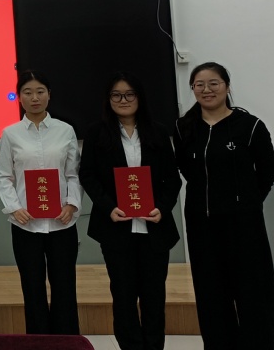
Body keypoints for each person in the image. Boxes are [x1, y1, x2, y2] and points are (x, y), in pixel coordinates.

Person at [173, 61, 274, 350]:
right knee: (211, 293)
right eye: (199, 85)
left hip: (244, 225)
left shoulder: (250, 126)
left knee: (253, 291)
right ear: (193, 89)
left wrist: (247, 202)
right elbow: (186, 170)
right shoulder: (184, 128)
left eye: (214, 83)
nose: (207, 90)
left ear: (227, 87)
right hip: (201, 223)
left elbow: (267, 172)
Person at [80, 72, 182, 350]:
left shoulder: (158, 131)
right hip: (116, 227)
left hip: (154, 228)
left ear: (139, 98)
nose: (123, 100)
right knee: (123, 296)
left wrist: (162, 208)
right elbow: (88, 175)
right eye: (116, 95)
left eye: (129, 94)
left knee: (154, 297)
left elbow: (172, 179)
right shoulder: (97, 133)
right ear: (108, 99)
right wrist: (109, 207)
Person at [0, 70, 81, 335]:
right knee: (32, 288)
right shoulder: (10, 134)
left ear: (49, 95)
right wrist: (14, 208)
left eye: (40, 91)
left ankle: (66, 341)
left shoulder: (65, 131)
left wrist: (71, 204)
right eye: (28, 92)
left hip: (62, 223)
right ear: (19, 97)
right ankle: (39, 341)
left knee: (64, 286)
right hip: (26, 224)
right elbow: (3, 176)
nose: (34, 98)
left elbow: (73, 174)